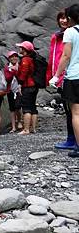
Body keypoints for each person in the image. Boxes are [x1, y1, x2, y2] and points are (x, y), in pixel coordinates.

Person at [51, 4, 79, 157]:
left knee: (76, 113)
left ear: (70, 17)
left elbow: (66, 56)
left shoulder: (70, 32)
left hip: (74, 76)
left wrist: (56, 75)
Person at [47, 10, 72, 149]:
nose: (63, 21)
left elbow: (66, 57)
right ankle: (71, 139)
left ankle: (72, 140)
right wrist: (52, 77)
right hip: (60, 78)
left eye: (65, 18)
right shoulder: (56, 37)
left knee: (72, 110)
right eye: (60, 18)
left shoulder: (71, 35)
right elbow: (53, 59)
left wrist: (58, 76)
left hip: (69, 76)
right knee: (68, 110)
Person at [16, 40, 38, 135]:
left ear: (24, 49)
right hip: (34, 86)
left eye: (21, 47)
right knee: (33, 107)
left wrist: (20, 83)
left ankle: (26, 129)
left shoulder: (25, 60)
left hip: (27, 86)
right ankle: (33, 128)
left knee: (26, 107)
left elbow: (24, 73)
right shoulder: (32, 58)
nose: (19, 48)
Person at [2, 51, 23, 132]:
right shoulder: (7, 67)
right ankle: (13, 126)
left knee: (18, 107)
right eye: (12, 57)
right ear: (9, 58)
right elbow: (8, 78)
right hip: (10, 90)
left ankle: (19, 122)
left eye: (15, 56)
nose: (14, 58)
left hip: (19, 89)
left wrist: (16, 70)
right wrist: (14, 71)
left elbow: (21, 76)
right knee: (12, 109)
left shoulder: (20, 66)